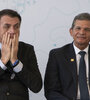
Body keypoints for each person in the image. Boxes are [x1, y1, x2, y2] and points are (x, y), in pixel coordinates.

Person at [44, 13, 90, 100]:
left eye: (87, 29)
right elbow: (51, 91)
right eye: (78, 28)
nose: (82, 32)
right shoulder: (57, 55)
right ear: (71, 31)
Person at [0, 9, 42, 100]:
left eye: (16, 27)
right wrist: (3, 61)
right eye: (7, 26)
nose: (12, 31)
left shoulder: (27, 49)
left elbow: (36, 86)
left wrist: (15, 62)